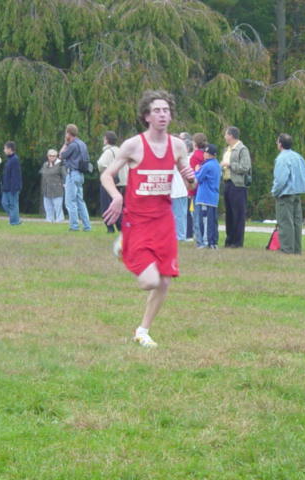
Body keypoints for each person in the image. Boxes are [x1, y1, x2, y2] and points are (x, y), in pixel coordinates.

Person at [100, 90, 196, 348]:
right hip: (138, 220)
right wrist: (116, 197)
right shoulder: (133, 145)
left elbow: (190, 183)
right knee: (150, 281)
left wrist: (190, 178)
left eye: (166, 110)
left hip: (164, 220)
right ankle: (124, 246)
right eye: (156, 111)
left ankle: (143, 331)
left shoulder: (177, 146)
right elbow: (106, 175)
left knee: (165, 280)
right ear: (146, 116)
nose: (162, 115)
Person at [271, 133, 305, 254]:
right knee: (297, 222)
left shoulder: (282, 159)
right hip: (297, 193)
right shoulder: (298, 157)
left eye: (277, 142)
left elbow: (280, 179)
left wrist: (275, 192)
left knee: (285, 222)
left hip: (285, 194)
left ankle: (287, 249)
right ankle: (297, 249)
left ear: (280, 144)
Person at [221, 126, 252, 248]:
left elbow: (245, 167)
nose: (224, 137)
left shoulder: (242, 149)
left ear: (231, 136)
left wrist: (230, 165)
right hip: (227, 183)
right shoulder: (227, 149)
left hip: (238, 185)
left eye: (226, 134)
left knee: (238, 214)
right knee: (229, 213)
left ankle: (237, 241)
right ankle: (229, 240)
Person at [59, 123, 92, 232]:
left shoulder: (72, 145)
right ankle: (87, 226)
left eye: (66, 133)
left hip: (72, 174)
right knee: (80, 201)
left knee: (70, 202)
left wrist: (65, 143)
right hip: (80, 175)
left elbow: (61, 155)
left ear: (68, 133)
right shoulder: (82, 144)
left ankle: (74, 226)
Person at [195, 144, 221, 249]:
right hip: (214, 197)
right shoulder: (217, 165)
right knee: (213, 221)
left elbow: (198, 178)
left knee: (204, 220)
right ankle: (213, 241)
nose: (204, 154)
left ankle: (205, 242)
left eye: (206, 152)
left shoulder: (207, 166)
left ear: (210, 155)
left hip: (204, 197)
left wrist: (196, 170)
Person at [97, 131, 123, 233]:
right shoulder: (120, 150)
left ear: (106, 140)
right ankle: (120, 226)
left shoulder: (108, 152)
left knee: (106, 204)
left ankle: (110, 227)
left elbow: (101, 164)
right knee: (119, 206)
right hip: (122, 182)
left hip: (110, 181)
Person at [189, 132, 207, 244]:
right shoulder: (207, 155)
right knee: (204, 216)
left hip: (196, 190)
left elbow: (192, 175)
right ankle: (205, 238)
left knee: (196, 215)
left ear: (194, 143)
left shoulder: (194, 157)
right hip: (206, 189)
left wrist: (190, 190)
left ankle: (199, 240)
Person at [39, 149, 66, 223]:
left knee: (58, 206)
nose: (52, 157)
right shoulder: (45, 164)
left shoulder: (60, 165)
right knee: (47, 206)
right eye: (50, 156)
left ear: (56, 156)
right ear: (47, 156)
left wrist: (64, 185)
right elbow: (43, 174)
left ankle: (59, 219)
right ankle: (49, 219)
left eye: (54, 156)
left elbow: (65, 176)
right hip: (46, 188)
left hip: (57, 189)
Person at [1, 141, 22, 225]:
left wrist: (14, 188)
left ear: (10, 149)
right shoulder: (9, 159)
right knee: (4, 203)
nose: (4, 150)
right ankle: (15, 218)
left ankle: (14, 222)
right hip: (6, 187)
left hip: (12, 187)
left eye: (5, 148)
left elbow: (16, 175)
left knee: (13, 204)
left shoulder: (15, 159)